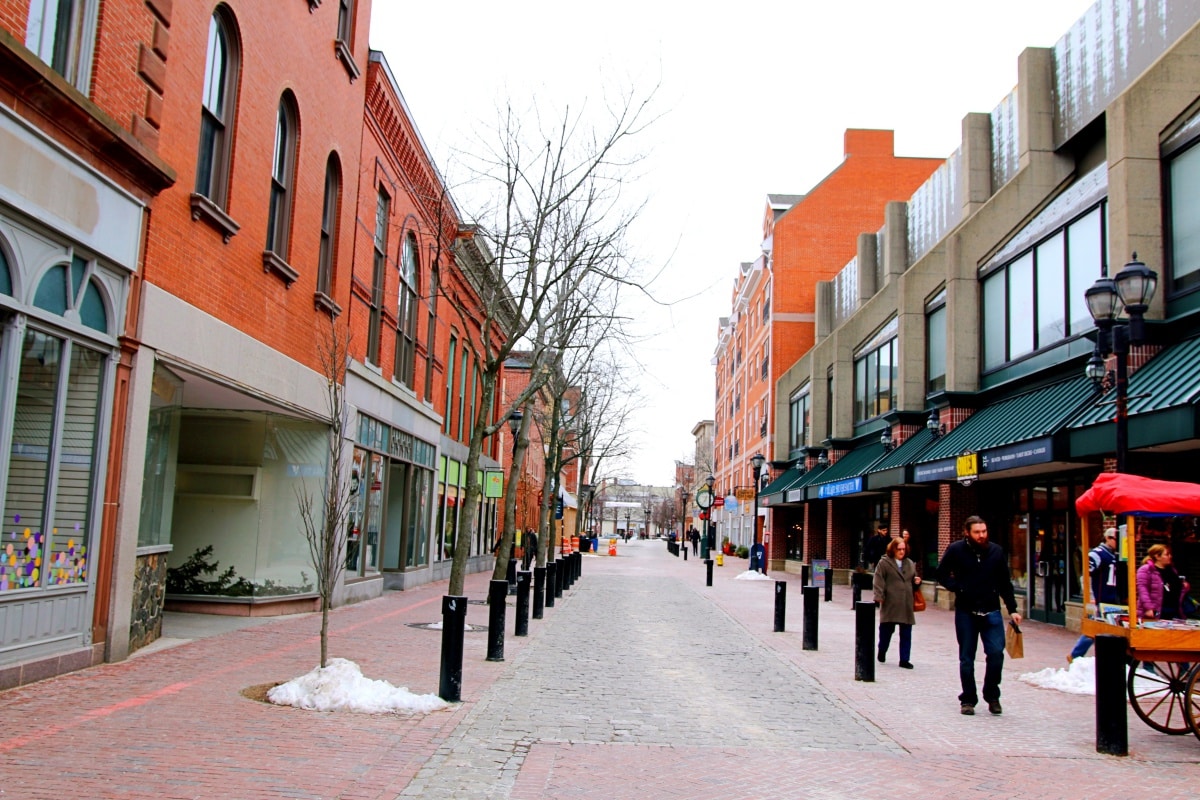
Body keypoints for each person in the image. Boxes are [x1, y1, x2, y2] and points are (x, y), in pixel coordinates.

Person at [937, 515, 1022, 716]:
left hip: (991, 611)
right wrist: (957, 588)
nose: (981, 535)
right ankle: (968, 699)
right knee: (967, 658)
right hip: (966, 612)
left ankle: (992, 695)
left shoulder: (996, 551)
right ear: (967, 533)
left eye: (984, 531)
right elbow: (941, 573)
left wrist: (1012, 609)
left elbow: (1005, 583)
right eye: (977, 532)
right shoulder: (956, 550)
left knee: (996, 654)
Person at [1068, 527, 1119, 662]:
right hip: (1100, 598)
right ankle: (1075, 655)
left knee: (1108, 628)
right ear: (1108, 538)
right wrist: (1090, 597)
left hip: (1112, 598)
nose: (1118, 543)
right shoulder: (1097, 554)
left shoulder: (1116, 555)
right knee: (1094, 627)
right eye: (1116, 539)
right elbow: (1086, 576)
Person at [874, 536, 920, 669]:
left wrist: (917, 582)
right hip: (891, 602)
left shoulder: (909, 563)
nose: (901, 552)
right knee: (886, 631)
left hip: (906, 602)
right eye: (899, 549)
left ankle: (904, 659)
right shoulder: (884, 563)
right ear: (893, 549)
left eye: (903, 549)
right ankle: (882, 650)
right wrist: (879, 595)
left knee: (906, 632)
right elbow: (878, 579)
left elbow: (913, 580)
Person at [1137, 544, 1184, 621]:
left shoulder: (1172, 570)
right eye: (1167, 554)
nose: (1170, 556)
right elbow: (1143, 590)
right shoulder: (1146, 570)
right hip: (1156, 611)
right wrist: (1148, 608)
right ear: (1157, 556)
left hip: (1173, 610)